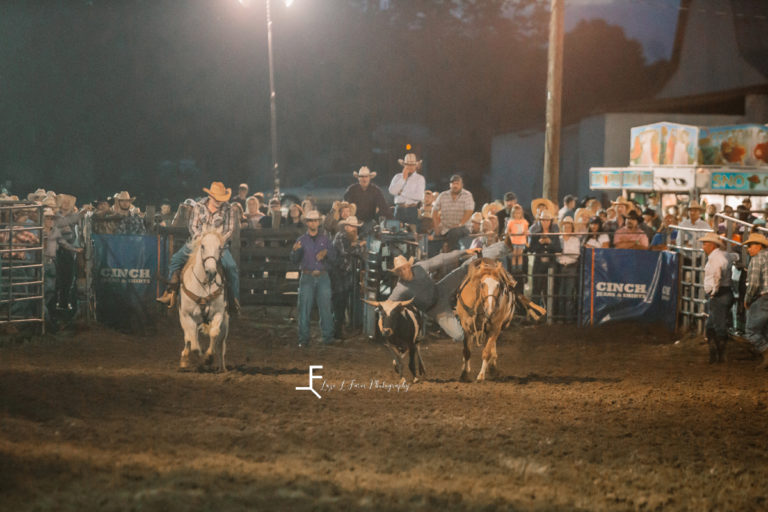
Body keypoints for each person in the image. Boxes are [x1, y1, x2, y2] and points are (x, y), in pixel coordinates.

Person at [156, 182, 240, 314]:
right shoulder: (199, 206)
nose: (219, 201)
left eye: (221, 199)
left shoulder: (228, 209)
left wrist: (217, 241)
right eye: (217, 198)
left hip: (218, 246)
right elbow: (193, 226)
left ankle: (234, 300)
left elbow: (229, 230)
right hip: (197, 242)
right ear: (211, 196)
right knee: (176, 260)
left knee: (231, 267)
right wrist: (201, 240)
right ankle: (170, 293)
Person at [387, 248, 482, 343]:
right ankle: (460, 319)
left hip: (441, 289)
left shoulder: (420, 267)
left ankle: (486, 252)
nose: (403, 272)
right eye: (399, 271)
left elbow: (442, 259)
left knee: (465, 268)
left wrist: (465, 251)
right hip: (436, 309)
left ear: (409, 267)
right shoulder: (400, 289)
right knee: (459, 336)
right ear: (397, 273)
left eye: (404, 268)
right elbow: (387, 304)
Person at [290, 210, 337, 347]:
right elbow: (294, 260)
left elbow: (334, 258)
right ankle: (303, 339)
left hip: (322, 276)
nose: (313, 223)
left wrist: (326, 254)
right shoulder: (301, 240)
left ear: (319, 222)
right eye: (310, 220)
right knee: (304, 308)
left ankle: (328, 337)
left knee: (325, 307)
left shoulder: (325, 240)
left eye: (315, 220)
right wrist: (295, 251)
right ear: (307, 223)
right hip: (307, 276)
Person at [700, 232, 736, 364]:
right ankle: (717, 355)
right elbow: (735, 256)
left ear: (712, 245)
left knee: (717, 325)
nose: (703, 246)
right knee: (713, 324)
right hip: (723, 293)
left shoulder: (716, 258)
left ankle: (720, 356)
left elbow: (717, 276)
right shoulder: (722, 255)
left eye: (705, 244)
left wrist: (714, 292)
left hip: (719, 294)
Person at [331, 215, 365, 340]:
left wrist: (357, 245)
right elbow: (346, 251)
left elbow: (356, 253)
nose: (354, 229)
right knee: (339, 303)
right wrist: (359, 245)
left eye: (355, 227)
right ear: (346, 227)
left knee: (342, 302)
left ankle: (339, 330)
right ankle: (336, 332)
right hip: (337, 275)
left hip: (345, 275)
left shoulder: (350, 238)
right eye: (352, 226)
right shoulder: (340, 236)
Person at [742, 232, 768, 369]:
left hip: (763, 297)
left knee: (751, 331)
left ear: (759, 246)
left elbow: (753, 284)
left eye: (750, 246)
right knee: (765, 330)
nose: (748, 249)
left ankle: (766, 354)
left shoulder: (757, 259)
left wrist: (747, 299)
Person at [433, 174, 474, 251]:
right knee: (432, 238)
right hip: (445, 228)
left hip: (463, 227)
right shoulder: (443, 195)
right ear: (450, 185)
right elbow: (434, 211)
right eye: (453, 183)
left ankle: (452, 253)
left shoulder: (467, 195)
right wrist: (436, 227)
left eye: (457, 183)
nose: (455, 186)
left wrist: (460, 224)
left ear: (461, 185)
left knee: (454, 233)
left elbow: (469, 211)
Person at [343, 166, 391, 233]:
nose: (364, 179)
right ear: (358, 178)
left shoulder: (375, 190)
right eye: (362, 177)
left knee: (368, 230)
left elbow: (383, 207)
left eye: (366, 177)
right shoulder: (351, 190)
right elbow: (344, 205)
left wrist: (392, 220)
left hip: (368, 221)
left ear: (369, 178)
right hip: (353, 221)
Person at [528, 210, 561, 307]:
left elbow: (558, 248)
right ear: (540, 221)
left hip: (551, 265)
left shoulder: (554, 235)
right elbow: (531, 249)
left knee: (550, 289)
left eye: (547, 220)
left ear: (550, 221)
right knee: (536, 290)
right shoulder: (536, 234)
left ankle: (549, 312)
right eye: (543, 220)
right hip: (538, 265)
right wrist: (539, 243)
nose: (545, 222)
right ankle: (535, 312)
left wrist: (550, 243)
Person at [388, 153, 426, 227]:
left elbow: (419, 196)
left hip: (412, 210)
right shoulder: (397, 177)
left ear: (416, 166)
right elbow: (391, 191)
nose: (410, 167)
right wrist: (403, 179)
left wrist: (401, 193)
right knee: (396, 232)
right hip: (399, 210)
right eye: (407, 165)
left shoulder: (420, 178)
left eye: (412, 165)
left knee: (412, 232)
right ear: (404, 165)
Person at [556, 216, 580, 321]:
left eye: (569, 227)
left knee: (569, 293)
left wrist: (563, 252)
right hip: (560, 266)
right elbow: (556, 254)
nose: (567, 229)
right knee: (560, 293)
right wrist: (566, 253)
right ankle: (561, 317)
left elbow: (576, 254)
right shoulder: (558, 239)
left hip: (571, 267)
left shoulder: (575, 240)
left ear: (572, 228)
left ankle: (568, 317)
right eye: (565, 227)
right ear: (562, 227)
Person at [506, 204, 529, 273]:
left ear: (521, 213)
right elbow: (508, 231)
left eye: (519, 213)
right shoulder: (511, 222)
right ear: (513, 214)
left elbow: (526, 230)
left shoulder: (524, 222)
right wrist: (509, 234)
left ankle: (519, 268)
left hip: (521, 241)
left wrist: (525, 233)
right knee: (514, 255)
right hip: (513, 241)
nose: (517, 215)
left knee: (519, 255)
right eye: (515, 213)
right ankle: (513, 268)